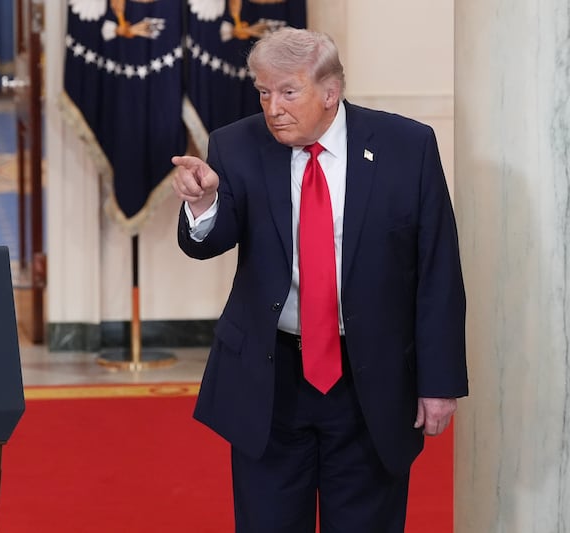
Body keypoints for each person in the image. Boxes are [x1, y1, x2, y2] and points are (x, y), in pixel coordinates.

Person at [171, 27, 467, 532]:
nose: (273, 107)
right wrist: (203, 203)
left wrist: (438, 384)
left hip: (369, 383)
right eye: (264, 92)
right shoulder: (236, 145)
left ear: (330, 93)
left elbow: (438, 271)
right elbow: (209, 242)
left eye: (288, 92)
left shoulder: (407, 147)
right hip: (271, 382)